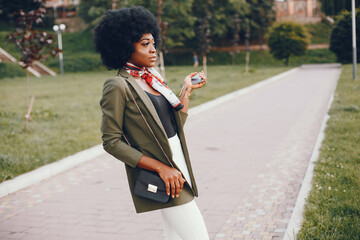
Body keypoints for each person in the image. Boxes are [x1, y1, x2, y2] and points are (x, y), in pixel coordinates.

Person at [94, 6, 209, 240]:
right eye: (145, 44)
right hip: (161, 171)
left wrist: (186, 91)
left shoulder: (153, 78)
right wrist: (161, 168)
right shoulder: (118, 86)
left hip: (177, 160)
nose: (153, 49)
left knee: (174, 235)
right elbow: (111, 142)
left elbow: (173, 126)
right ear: (125, 46)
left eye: (154, 43)